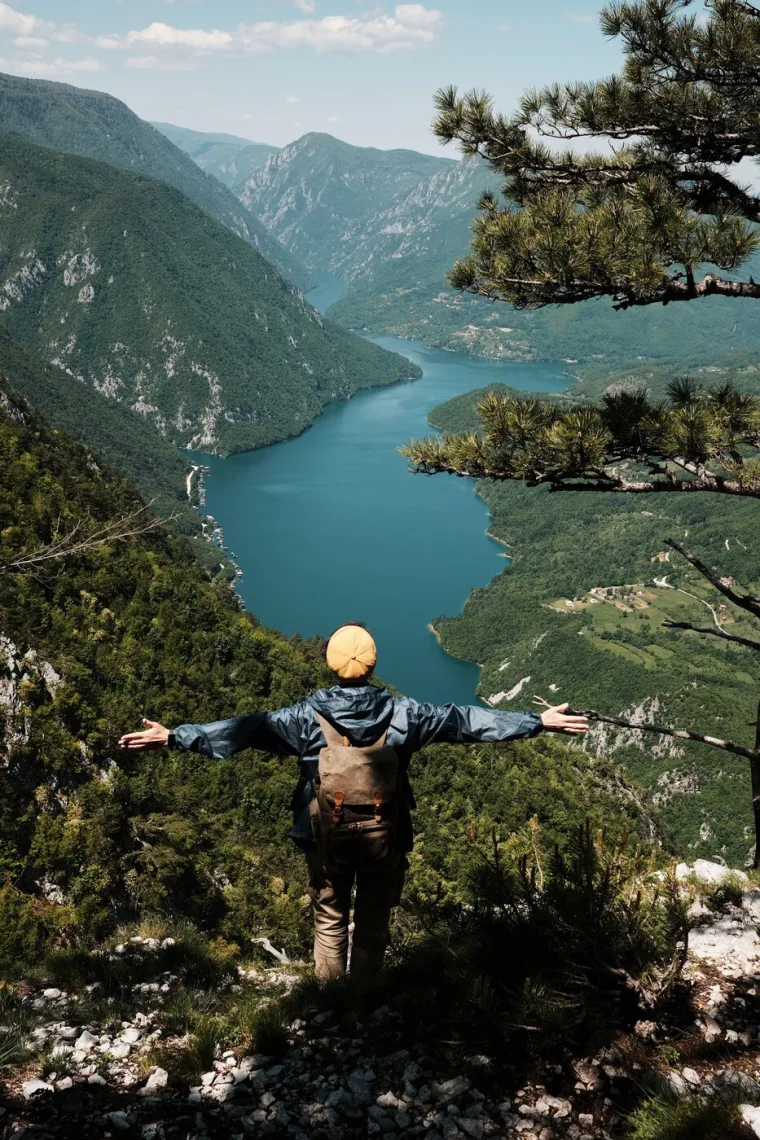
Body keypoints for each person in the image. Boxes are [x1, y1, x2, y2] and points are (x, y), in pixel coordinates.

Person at [119, 623, 588, 980]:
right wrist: (536, 721)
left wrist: (174, 737)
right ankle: (365, 996)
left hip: (322, 834)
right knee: (374, 918)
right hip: (388, 832)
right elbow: (465, 721)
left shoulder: (302, 718)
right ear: (372, 665)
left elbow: (241, 730)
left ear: (331, 664)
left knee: (329, 915)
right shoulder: (407, 715)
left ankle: (329, 1000)